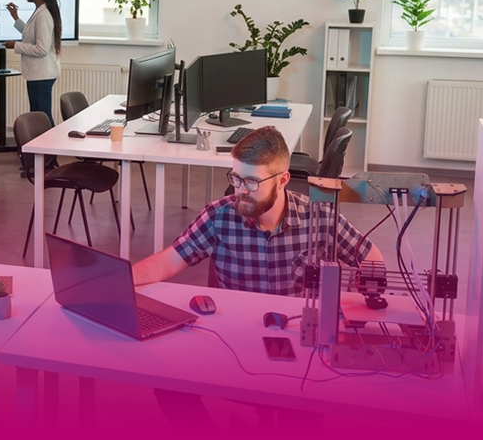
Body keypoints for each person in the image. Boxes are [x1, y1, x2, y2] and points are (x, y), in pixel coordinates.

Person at [132, 126, 382, 431]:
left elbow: (371, 257)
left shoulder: (320, 217)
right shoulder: (219, 216)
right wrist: (120, 280)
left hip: (301, 349)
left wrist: (348, 309)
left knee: (301, 414)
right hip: (234, 340)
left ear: (282, 179)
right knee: (169, 386)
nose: (240, 190)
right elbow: (170, 260)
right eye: (236, 178)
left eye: (251, 181)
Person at [4, 0, 62, 127]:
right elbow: (30, 34)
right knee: (38, 116)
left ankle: (51, 143)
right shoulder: (41, 11)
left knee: (42, 117)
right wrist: (16, 17)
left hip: (42, 76)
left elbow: (41, 49)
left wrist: (15, 46)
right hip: (39, 75)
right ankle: (43, 142)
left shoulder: (43, 15)